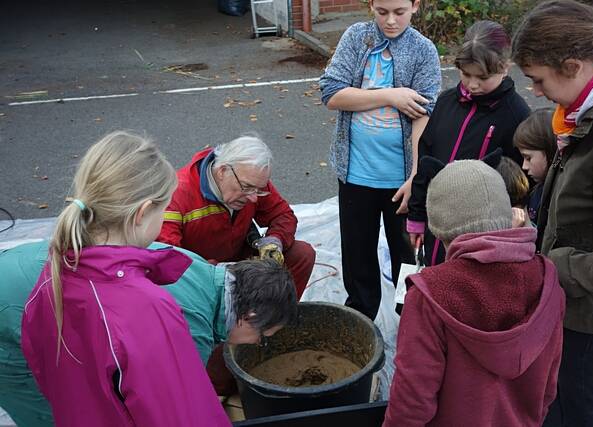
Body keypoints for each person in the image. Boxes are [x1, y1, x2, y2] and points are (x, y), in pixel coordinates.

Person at [20, 131, 231, 427]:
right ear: (143, 212)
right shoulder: (145, 308)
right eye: (164, 207)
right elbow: (186, 415)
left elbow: (44, 371)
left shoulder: (53, 277)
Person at [1, 240, 297, 427]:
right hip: (12, 313)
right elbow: (162, 410)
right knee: (53, 409)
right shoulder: (190, 330)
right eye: (263, 335)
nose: (258, 342)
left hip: (27, 264)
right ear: (249, 317)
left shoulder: (195, 267)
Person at [512, 2, 593, 425]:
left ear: (572, 66)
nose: (533, 91)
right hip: (577, 302)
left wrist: (559, 265)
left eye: (537, 79)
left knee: (573, 410)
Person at [384, 160, 565, 427]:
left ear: (439, 228)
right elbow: (548, 388)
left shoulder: (429, 294)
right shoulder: (547, 280)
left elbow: (411, 403)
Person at [319, 0, 442, 320]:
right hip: (356, 174)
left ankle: (411, 321)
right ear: (371, 4)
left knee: (407, 255)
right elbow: (331, 93)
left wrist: (415, 176)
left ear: (415, 6)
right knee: (357, 255)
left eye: (399, 12)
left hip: (400, 180)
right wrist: (391, 95)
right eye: (381, 12)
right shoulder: (356, 38)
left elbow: (424, 117)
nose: (390, 21)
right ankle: (360, 318)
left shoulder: (423, 50)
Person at [407, 20, 530, 267]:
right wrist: (417, 216)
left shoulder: (516, 115)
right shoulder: (446, 102)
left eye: (483, 77)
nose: (473, 85)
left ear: (505, 67)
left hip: (480, 232)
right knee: (433, 275)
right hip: (437, 221)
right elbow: (426, 160)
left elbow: (521, 180)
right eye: (466, 75)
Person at [158, 135, 315, 301]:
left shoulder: (250, 181)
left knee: (301, 254)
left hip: (238, 260)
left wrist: (275, 240)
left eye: (259, 190)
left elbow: (283, 215)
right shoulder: (177, 194)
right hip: (199, 274)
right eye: (246, 188)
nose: (254, 198)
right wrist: (218, 272)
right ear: (222, 171)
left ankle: (277, 320)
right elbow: (167, 258)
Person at [512, 108, 556, 226]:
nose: (524, 166)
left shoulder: (558, 198)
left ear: (550, 151)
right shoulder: (537, 191)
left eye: (528, 158)